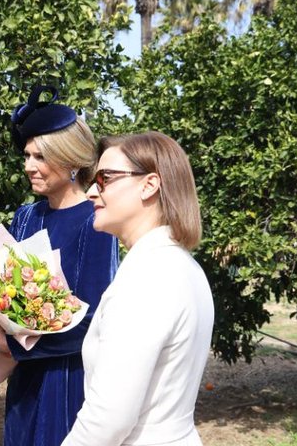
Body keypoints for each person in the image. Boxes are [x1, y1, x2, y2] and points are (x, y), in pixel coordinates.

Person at [0, 85, 120, 446]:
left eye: (40, 157)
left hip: (67, 381)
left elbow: (94, 323)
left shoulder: (96, 221)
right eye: (27, 155)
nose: (29, 166)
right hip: (25, 384)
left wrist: (9, 344)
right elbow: (4, 296)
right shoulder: (26, 216)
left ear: (72, 160)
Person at [61, 131, 214, 446]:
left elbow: (107, 419)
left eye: (105, 179)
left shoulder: (148, 279)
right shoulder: (183, 267)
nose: (91, 191)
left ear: (149, 185)